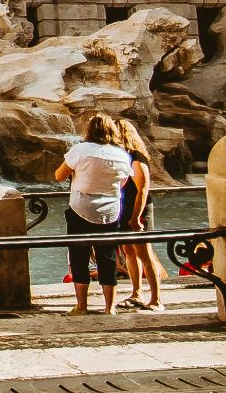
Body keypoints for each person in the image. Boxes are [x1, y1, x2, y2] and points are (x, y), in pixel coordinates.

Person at [55, 113, 132, 315]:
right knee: (107, 257)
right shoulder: (122, 155)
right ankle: (110, 307)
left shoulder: (80, 150)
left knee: (79, 256)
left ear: (89, 130)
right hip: (111, 210)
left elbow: (59, 175)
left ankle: (82, 306)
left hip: (81, 208)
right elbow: (123, 183)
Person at [112, 119, 164, 311]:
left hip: (138, 211)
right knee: (129, 252)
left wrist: (136, 217)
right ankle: (137, 293)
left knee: (145, 254)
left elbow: (142, 190)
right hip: (125, 210)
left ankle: (157, 299)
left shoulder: (137, 158)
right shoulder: (124, 158)